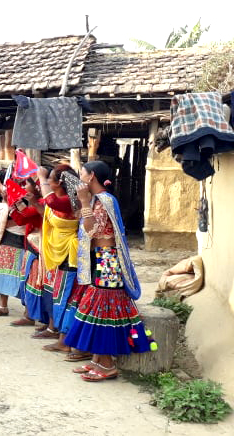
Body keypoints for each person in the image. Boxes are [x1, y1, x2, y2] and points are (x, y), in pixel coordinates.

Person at [64, 161, 151, 381]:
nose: (80, 177)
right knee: (97, 309)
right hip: (100, 260)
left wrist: (84, 201)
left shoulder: (105, 201)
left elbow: (91, 229)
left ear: (91, 176)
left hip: (108, 261)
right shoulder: (97, 201)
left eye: (82, 173)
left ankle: (108, 365)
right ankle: (96, 360)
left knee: (103, 310)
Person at [32, 165, 90, 361]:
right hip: (61, 252)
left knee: (66, 297)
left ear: (58, 182)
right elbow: (47, 207)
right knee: (61, 296)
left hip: (69, 253)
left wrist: (41, 177)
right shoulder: (65, 201)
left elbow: (51, 201)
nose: (46, 182)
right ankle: (62, 338)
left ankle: (65, 340)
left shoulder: (68, 201)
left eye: (50, 179)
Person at [0, 173, 41, 318]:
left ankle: (27, 312)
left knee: (24, 277)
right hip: (8, 237)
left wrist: (4, 193)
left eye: (24, 182)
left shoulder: (31, 199)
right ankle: (3, 306)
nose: (22, 184)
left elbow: (22, 217)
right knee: (2, 271)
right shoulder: (13, 197)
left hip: (25, 240)